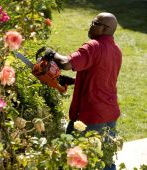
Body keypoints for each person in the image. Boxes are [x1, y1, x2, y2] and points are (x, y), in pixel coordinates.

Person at [45, 12, 122, 170]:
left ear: (104, 28)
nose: (91, 25)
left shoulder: (93, 46)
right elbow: (101, 77)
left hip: (89, 115)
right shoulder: (116, 50)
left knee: (75, 160)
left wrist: (51, 53)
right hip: (109, 113)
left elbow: (66, 63)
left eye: (94, 23)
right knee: (104, 159)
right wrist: (73, 81)